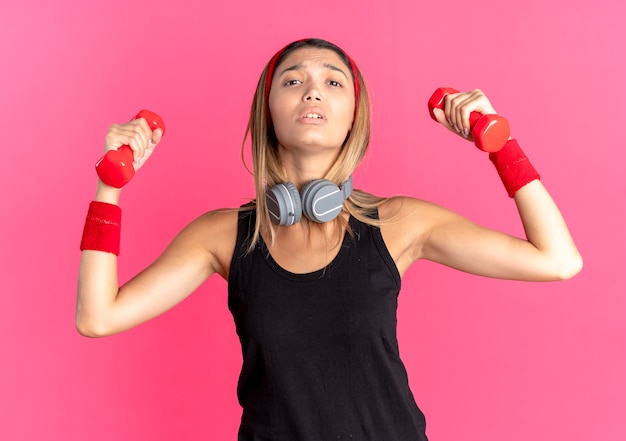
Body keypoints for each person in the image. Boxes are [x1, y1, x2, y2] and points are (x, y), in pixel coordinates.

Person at [77, 38, 582, 440]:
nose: (312, 91)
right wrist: (110, 186)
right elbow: (98, 317)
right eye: (293, 80)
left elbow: (557, 260)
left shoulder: (400, 223)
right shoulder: (223, 235)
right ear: (268, 110)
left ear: (353, 116)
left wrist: (500, 145)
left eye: (332, 82)